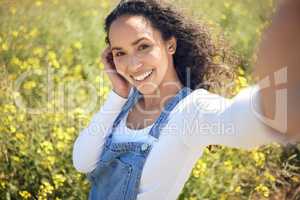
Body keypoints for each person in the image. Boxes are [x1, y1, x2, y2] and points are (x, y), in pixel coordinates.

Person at [72, 0, 299, 199]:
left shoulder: (192, 110)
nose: (132, 65)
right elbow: (83, 162)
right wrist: (118, 94)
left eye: (143, 46)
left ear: (170, 45)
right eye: (119, 52)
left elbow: (245, 122)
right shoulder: (127, 100)